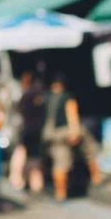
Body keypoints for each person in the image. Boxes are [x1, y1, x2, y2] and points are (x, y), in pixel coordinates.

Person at [42, 74, 102, 202]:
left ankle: (60, 194)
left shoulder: (46, 98)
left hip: (50, 135)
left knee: (59, 163)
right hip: (65, 131)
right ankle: (96, 177)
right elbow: (72, 114)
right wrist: (74, 132)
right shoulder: (67, 98)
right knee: (90, 150)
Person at [11, 73, 46, 195]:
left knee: (24, 156)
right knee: (34, 159)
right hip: (35, 131)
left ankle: (20, 181)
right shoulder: (37, 95)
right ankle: (35, 184)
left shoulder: (26, 96)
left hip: (27, 131)